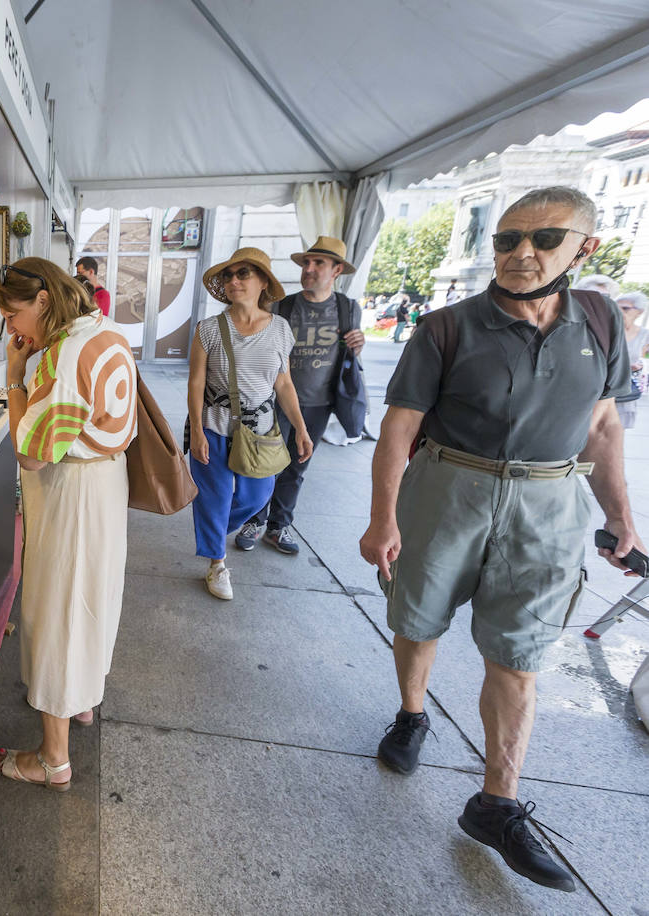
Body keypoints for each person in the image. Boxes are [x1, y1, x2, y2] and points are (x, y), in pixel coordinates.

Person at [359, 187, 641, 891]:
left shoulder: (602, 322)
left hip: (550, 502)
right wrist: (383, 517)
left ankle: (498, 800)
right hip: (452, 486)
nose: (522, 252)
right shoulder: (447, 326)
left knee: (520, 655)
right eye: (508, 239)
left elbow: (605, 427)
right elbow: (398, 429)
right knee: (417, 620)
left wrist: (621, 517)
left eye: (545, 239)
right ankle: (412, 714)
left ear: (585, 247)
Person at [0, 257, 136, 790]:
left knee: (56, 609)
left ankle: (53, 759)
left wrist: (12, 377)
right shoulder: (104, 332)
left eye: (13, 314)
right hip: (104, 482)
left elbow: (30, 453)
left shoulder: (64, 355)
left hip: (71, 492)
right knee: (92, 596)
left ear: (43, 300)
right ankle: (82, 701)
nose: (11, 327)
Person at [187, 248, 312, 600]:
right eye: (228, 276)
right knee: (214, 498)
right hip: (214, 426)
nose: (234, 281)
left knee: (256, 495)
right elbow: (196, 382)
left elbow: (284, 383)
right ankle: (216, 563)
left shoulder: (280, 330)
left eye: (243, 274)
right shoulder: (209, 329)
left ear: (262, 283)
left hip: (260, 432)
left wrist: (301, 428)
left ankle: (210, 534)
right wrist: (197, 430)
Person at [235, 236, 364, 555]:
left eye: (318, 263)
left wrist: (358, 346)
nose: (309, 269)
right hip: (275, 401)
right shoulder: (283, 306)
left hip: (319, 403)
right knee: (265, 462)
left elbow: (347, 355)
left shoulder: (348, 309)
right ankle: (255, 519)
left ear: (336, 271)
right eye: (306, 262)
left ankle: (279, 526)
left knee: (297, 466)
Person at [615, 291, 649, 429]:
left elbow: (645, 360)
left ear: (639, 312)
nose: (619, 311)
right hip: (599, 390)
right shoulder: (607, 330)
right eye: (616, 307)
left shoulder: (645, 335)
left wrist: (641, 366)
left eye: (625, 308)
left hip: (625, 393)